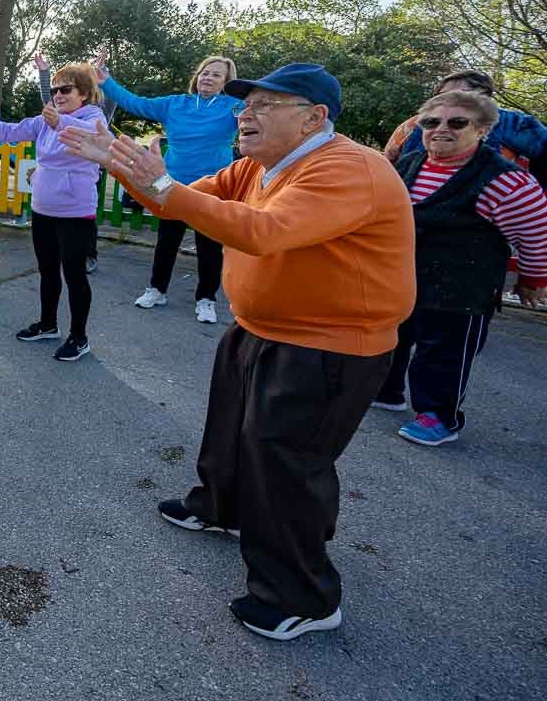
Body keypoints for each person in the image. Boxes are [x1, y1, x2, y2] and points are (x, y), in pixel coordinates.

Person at [61, 63, 415, 642]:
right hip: (261, 326)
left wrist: (160, 184)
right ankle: (221, 508)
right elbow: (177, 202)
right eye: (244, 103)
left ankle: (303, 596)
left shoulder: (348, 169)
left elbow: (262, 231)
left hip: (327, 344)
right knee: (229, 432)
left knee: (288, 465)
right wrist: (124, 168)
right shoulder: (257, 164)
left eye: (264, 105)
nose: (244, 114)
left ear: (313, 118)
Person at [372, 89, 547, 445]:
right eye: (431, 122)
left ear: (482, 129)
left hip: (463, 287)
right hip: (404, 277)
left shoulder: (505, 181)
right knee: (393, 339)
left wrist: (532, 279)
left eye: (457, 122)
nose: (441, 129)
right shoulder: (410, 162)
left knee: (444, 354)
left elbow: (535, 232)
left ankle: (439, 416)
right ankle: (386, 393)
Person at [0, 59, 105, 362]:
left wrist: (61, 122)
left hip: (75, 211)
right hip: (44, 208)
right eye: (55, 89)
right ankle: (48, 324)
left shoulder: (92, 116)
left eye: (65, 89)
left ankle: (79, 336)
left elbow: (94, 135)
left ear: (83, 92)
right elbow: (9, 131)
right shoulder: (46, 119)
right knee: (47, 271)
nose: (58, 94)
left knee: (74, 275)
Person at [96, 54, 243, 324]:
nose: (208, 78)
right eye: (205, 73)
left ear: (225, 82)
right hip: (170, 185)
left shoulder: (233, 107)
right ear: (197, 77)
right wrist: (106, 82)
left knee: (209, 247)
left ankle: (206, 299)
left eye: (216, 75)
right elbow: (135, 103)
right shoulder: (175, 104)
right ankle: (157, 289)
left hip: (212, 188)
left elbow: (259, 121)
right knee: (166, 241)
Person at [385, 69, 547, 189]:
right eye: (441, 95)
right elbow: (389, 165)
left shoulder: (512, 123)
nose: (449, 101)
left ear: (484, 98)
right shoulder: (413, 125)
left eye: (461, 94)